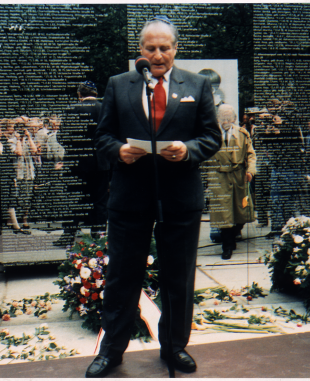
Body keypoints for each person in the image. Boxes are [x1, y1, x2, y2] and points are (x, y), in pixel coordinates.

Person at [86, 16, 221, 378]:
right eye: (151, 48)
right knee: (122, 278)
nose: (158, 54)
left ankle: (174, 347)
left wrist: (188, 149)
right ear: (140, 51)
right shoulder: (118, 85)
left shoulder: (197, 85)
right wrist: (118, 151)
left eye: (165, 47)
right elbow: (102, 138)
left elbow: (212, 137)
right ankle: (111, 352)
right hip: (131, 199)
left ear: (176, 49)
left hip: (179, 200)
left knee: (179, 278)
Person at [205, 104, 256, 260]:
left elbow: (251, 155)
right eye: (222, 117)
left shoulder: (242, 133)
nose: (225, 121)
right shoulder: (211, 134)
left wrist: (250, 171)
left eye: (229, 117)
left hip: (239, 175)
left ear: (234, 118)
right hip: (219, 176)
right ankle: (227, 246)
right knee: (223, 213)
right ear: (218, 118)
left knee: (242, 209)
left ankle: (234, 234)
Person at [63, 80, 110, 239]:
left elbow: (63, 137)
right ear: (96, 94)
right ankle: (99, 232)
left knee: (75, 198)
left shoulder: (72, 109)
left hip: (78, 162)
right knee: (100, 200)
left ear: (79, 94)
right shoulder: (105, 108)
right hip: (100, 162)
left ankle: (69, 233)